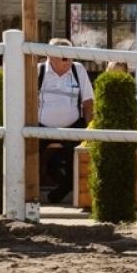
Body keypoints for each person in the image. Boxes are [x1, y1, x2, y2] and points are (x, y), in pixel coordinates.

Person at [37, 38, 94, 205]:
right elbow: (28, 100)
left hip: (73, 124)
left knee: (77, 160)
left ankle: (64, 189)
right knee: (29, 156)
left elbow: (88, 102)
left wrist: (91, 130)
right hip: (41, 127)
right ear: (50, 57)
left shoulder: (78, 69)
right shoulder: (38, 71)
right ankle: (26, 196)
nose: (69, 60)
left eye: (71, 56)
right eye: (64, 57)